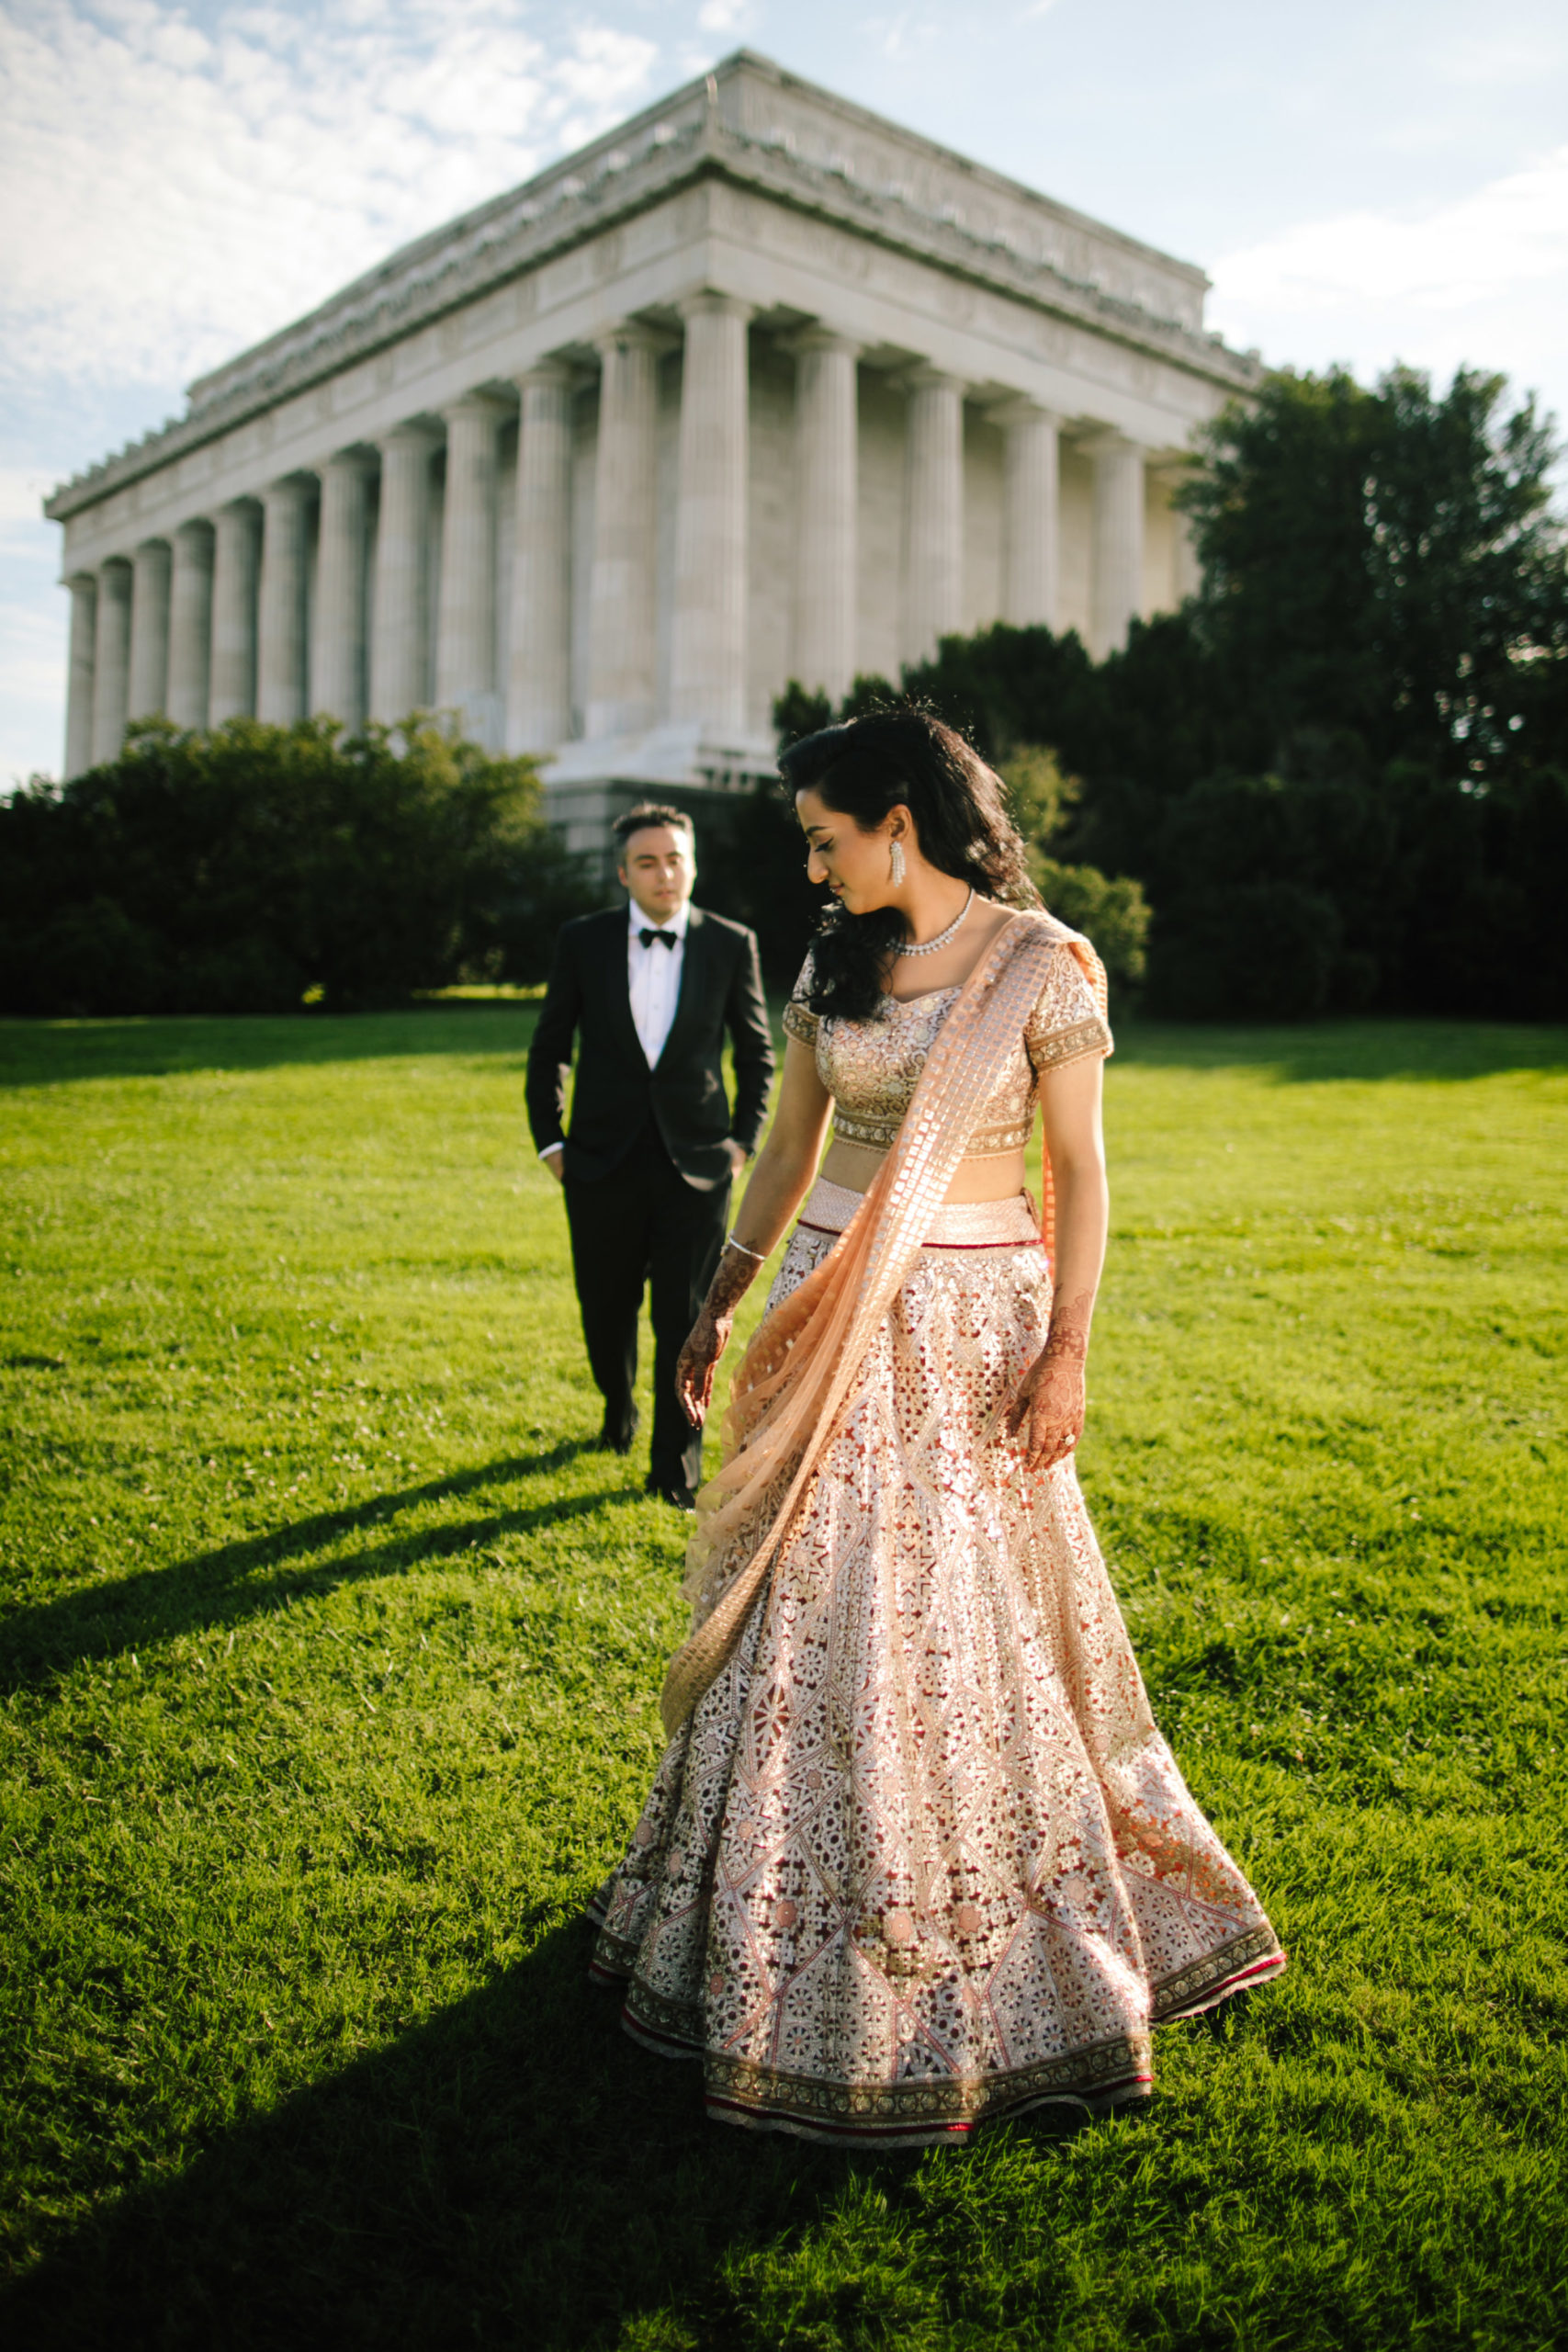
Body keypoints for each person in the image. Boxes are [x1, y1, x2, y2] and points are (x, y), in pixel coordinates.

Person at [586, 712, 1285, 2144]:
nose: (809, 863)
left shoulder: (1041, 964)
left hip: (971, 1327)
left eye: (823, 837)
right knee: (809, 1605)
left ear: (895, 818)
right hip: (823, 1308)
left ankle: (974, 1927)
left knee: (954, 1615)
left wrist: (1067, 1352)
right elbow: (787, 1143)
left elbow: (1079, 1173)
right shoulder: (832, 956)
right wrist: (723, 1294)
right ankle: (768, 1915)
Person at [526, 805, 774, 1508]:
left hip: (696, 1167)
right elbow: (550, 1048)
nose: (665, 873)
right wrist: (552, 1143)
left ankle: (676, 1465)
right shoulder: (583, 941)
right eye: (647, 861)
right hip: (597, 1163)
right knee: (604, 1309)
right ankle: (617, 1408)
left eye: (675, 859)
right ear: (622, 873)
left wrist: (740, 1144)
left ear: (692, 865)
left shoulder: (731, 943)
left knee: (685, 1317)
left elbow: (756, 1051)